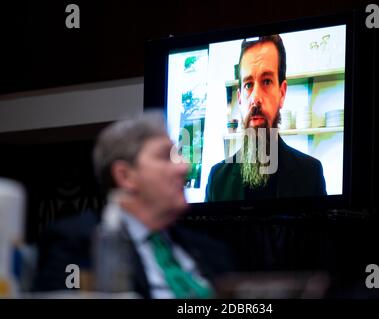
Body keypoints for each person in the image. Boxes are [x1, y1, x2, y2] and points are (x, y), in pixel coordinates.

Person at [34, 111, 232, 298]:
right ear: (125, 176)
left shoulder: (210, 250)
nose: (184, 167)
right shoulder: (78, 243)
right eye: (166, 156)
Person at [205, 35, 327, 202]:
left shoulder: (311, 174)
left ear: (282, 93)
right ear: (240, 99)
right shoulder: (217, 180)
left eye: (267, 81)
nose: (255, 98)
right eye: (248, 84)